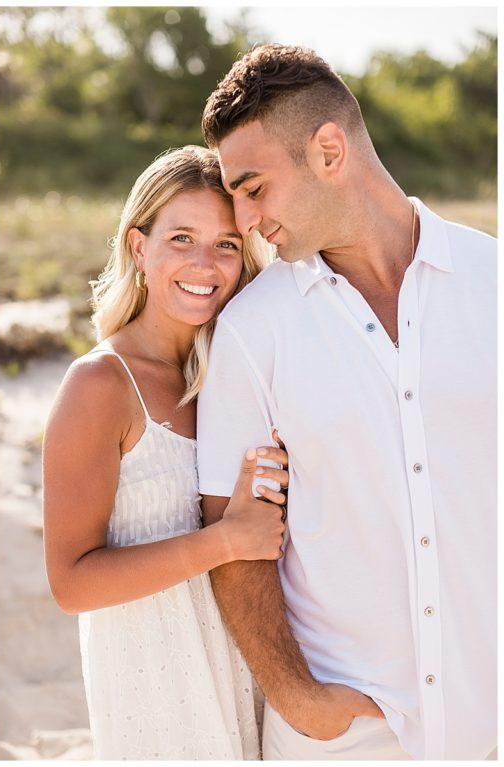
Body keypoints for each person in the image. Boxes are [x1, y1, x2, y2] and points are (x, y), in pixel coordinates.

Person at [197, 44, 496, 760]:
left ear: (329, 150)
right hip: (344, 743)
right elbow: (232, 539)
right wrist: (299, 699)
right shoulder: (252, 330)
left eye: (254, 188)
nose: (243, 221)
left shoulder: (495, 282)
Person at [42, 146, 288, 760]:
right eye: (182, 238)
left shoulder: (237, 376)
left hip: (249, 669)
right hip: (156, 685)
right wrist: (226, 541)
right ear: (137, 247)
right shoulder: (100, 385)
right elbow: (71, 583)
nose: (205, 264)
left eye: (227, 244)